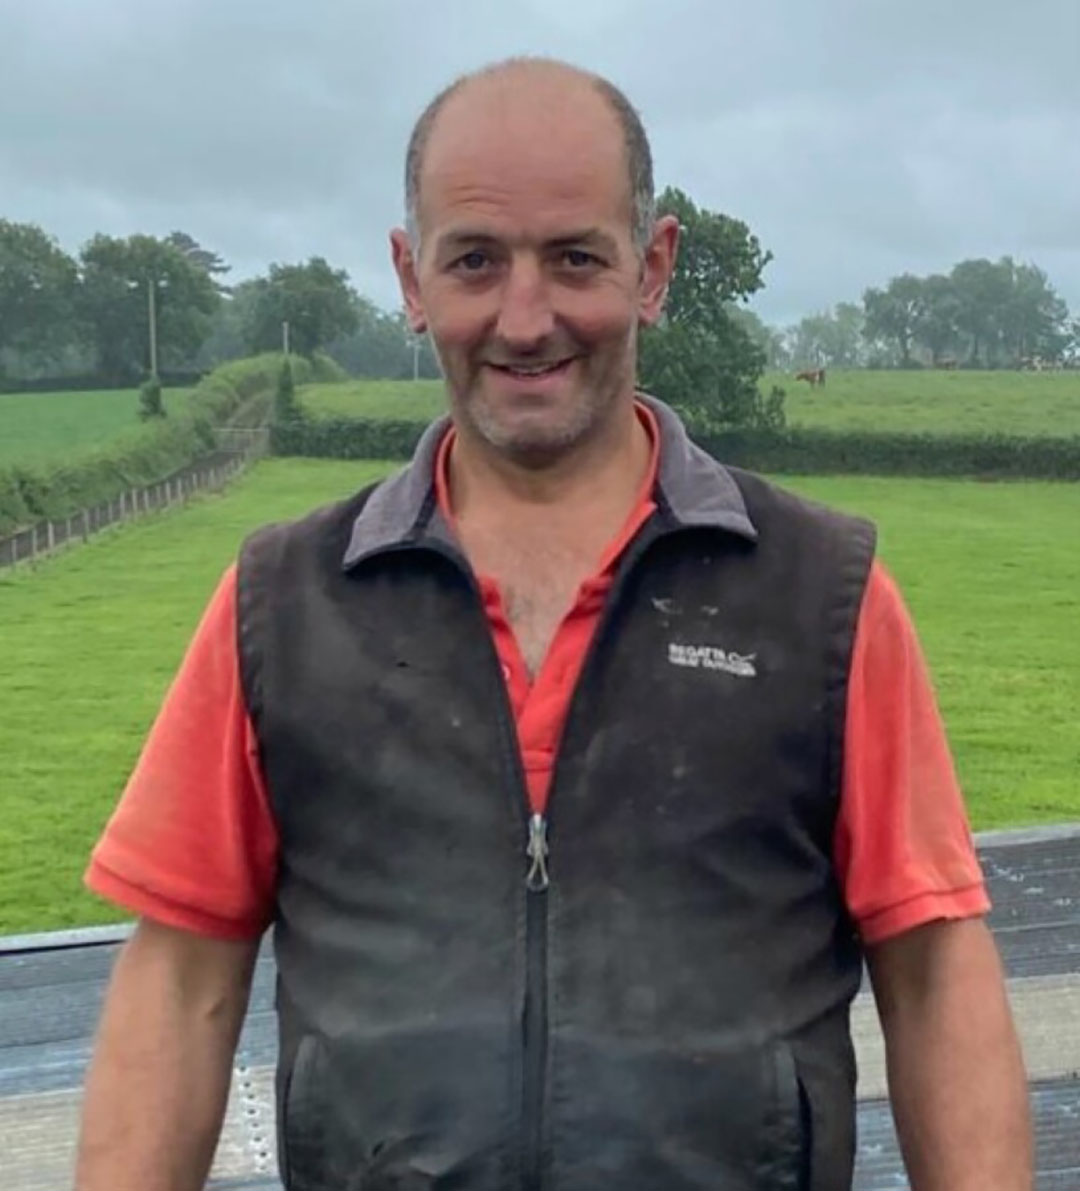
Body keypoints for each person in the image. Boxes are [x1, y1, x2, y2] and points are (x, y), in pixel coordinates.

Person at [75, 57, 1032, 1191]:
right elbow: (181, 986)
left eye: (574, 257)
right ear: (410, 277)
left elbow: (931, 975)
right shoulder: (281, 602)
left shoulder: (823, 592)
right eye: (474, 260)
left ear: (654, 267)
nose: (525, 320)